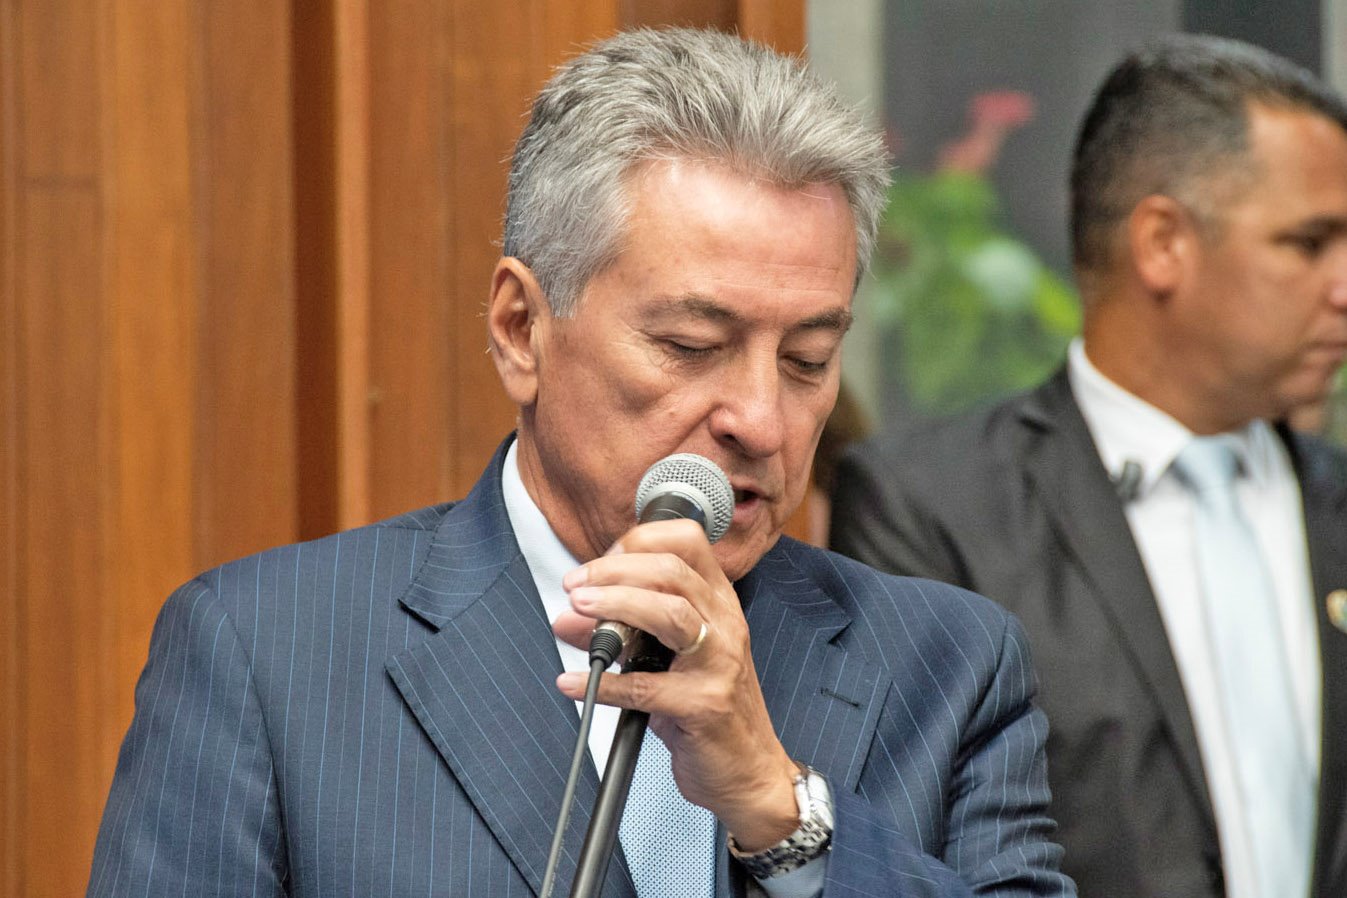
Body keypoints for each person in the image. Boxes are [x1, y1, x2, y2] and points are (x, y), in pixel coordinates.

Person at [86, 27, 1072, 898]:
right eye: (691, 345)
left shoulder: (947, 667)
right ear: (522, 328)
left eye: (808, 360)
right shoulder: (266, 655)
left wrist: (783, 812)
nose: (762, 421)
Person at [831, 34, 1347, 898]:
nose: (1342, 286)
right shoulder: (933, 507)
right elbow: (897, 849)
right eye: (1307, 243)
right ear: (1162, 243)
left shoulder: (1334, 501)